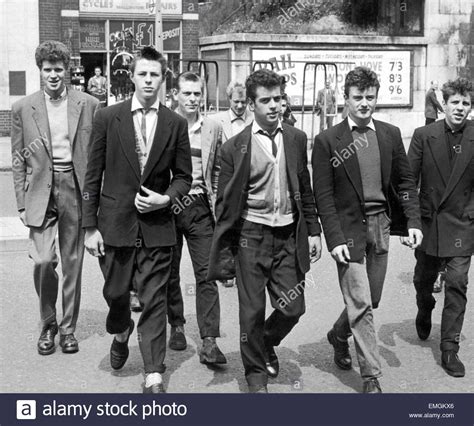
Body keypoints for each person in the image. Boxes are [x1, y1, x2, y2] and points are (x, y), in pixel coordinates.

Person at [82, 46, 192, 393]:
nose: (148, 80)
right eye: (142, 74)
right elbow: (92, 174)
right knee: (116, 294)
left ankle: (154, 372)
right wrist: (89, 227)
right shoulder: (107, 117)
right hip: (115, 225)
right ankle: (121, 331)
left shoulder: (175, 123)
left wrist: (167, 198)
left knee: (154, 300)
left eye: (154, 75)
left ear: (163, 79)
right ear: (131, 77)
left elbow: (185, 177)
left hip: (158, 228)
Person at [208, 69, 322, 393]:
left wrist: (314, 230)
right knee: (252, 312)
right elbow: (225, 204)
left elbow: (305, 188)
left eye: (278, 99)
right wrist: (227, 252)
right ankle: (256, 377)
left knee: (293, 306)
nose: (274, 106)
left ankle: (266, 342)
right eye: (265, 100)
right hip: (251, 236)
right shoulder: (234, 147)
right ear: (252, 105)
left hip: (287, 234)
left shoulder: (297, 139)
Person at [312, 66, 422, 393]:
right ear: (345, 99)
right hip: (347, 230)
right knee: (360, 303)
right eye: (357, 97)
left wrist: (413, 221)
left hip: (381, 226)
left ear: (376, 98)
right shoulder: (328, 141)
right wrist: (333, 238)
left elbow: (405, 183)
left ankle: (337, 333)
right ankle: (371, 376)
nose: (364, 103)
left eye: (369, 97)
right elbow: (324, 195)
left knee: (370, 298)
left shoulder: (388, 135)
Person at [11, 41, 99, 356]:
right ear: (40, 71)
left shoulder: (89, 104)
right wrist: (21, 203)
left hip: (74, 190)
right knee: (43, 262)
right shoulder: (23, 107)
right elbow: (18, 159)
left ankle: (68, 331)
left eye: (58, 69)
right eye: (47, 69)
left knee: (73, 263)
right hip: (40, 192)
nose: (53, 75)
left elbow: (95, 155)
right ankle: (48, 321)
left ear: (67, 71)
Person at [406, 77, 473, 378]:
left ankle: (449, 348)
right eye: (455, 102)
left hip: (462, 223)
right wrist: (410, 222)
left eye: (466, 103)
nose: (460, 108)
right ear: (443, 104)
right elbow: (408, 181)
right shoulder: (423, 135)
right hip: (429, 223)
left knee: (458, 283)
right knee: (423, 279)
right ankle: (425, 306)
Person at [165, 72, 226, 364]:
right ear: (176, 94)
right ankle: (176, 324)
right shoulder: (164, 124)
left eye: (197, 94)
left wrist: (220, 205)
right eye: (186, 93)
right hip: (169, 205)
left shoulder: (212, 127)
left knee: (206, 273)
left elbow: (218, 169)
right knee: (169, 271)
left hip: (201, 207)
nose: (192, 99)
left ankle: (209, 341)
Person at [212, 81, 254, 287]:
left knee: (244, 228)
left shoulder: (254, 121)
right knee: (225, 226)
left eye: (243, 102)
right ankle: (226, 269)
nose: (240, 106)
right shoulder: (216, 121)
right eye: (236, 101)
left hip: (248, 183)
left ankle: (242, 268)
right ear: (229, 99)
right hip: (225, 181)